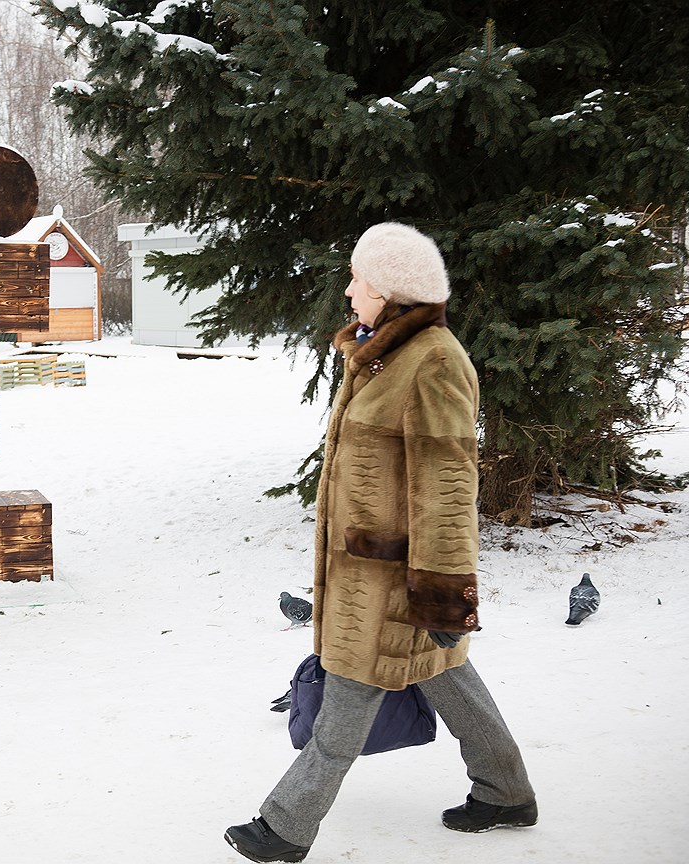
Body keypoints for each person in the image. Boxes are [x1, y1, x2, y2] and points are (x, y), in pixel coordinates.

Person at [225, 223, 536, 863]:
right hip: (369, 570)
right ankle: (506, 791)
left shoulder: (435, 360)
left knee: (348, 695)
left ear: (390, 289)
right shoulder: (383, 354)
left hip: (396, 579)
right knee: (449, 678)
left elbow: (448, 481)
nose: (348, 290)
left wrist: (444, 591)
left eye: (358, 279)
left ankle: (285, 826)